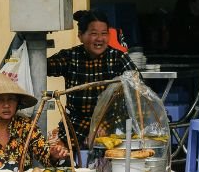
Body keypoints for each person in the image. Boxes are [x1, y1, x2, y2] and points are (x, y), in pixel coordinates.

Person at [47, 9, 138, 148]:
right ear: (80, 36)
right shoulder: (70, 57)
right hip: (75, 127)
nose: (100, 39)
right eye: (94, 33)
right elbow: (41, 67)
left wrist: (104, 125)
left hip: (112, 126)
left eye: (104, 33)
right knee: (56, 153)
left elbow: (137, 88)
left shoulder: (118, 58)